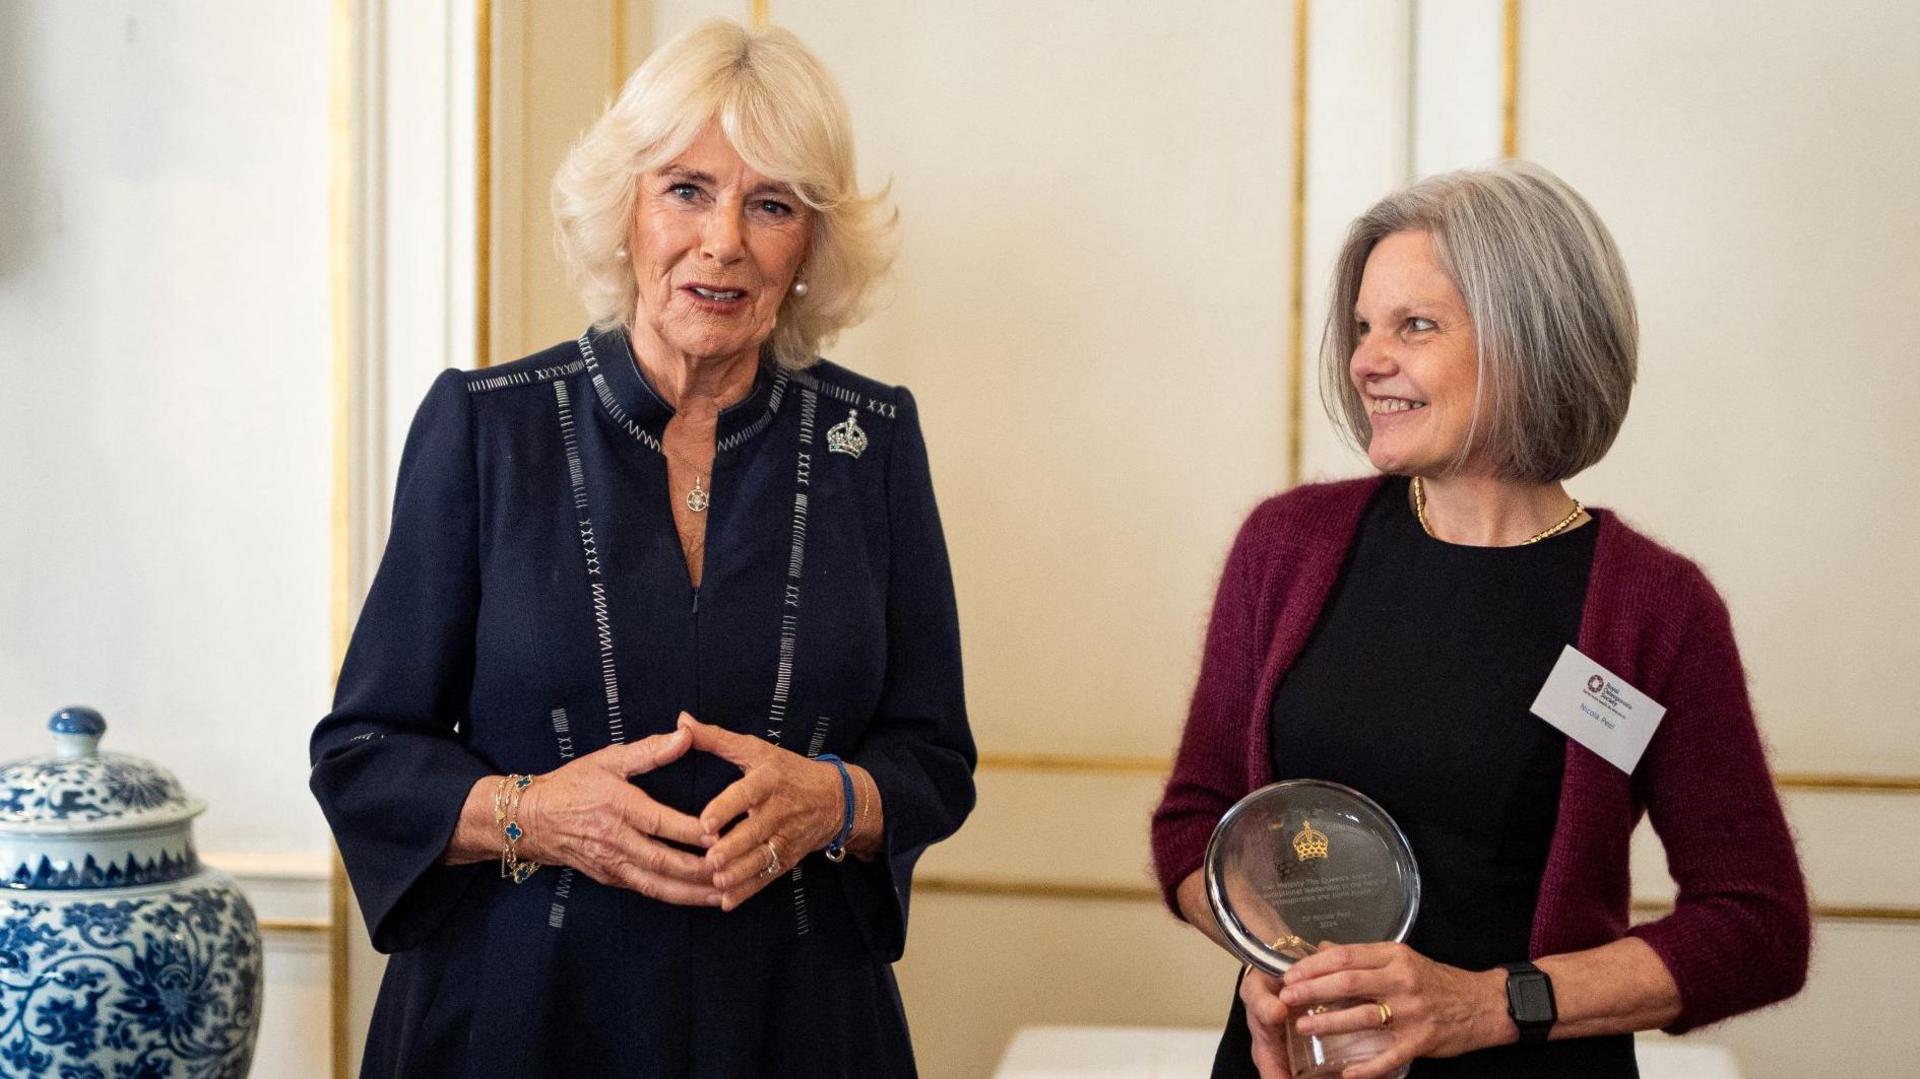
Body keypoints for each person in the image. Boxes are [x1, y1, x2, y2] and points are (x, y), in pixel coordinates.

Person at [310, 19, 974, 1077]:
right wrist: (531, 813)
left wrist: (837, 799)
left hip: (796, 1025)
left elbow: (935, 756)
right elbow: (363, 751)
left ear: (811, 244)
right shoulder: (485, 429)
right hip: (518, 1016)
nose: (723, 242)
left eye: (771, 205)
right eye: (686, 189)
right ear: (625, 208)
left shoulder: (872, 442)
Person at [1150, 161, 1809, 1078]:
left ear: (1531, 340)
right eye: (1363, 328)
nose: (1366, 360)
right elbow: (1193, 823)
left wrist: (1485, 1005)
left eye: (1415, 326)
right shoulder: (1286, 546)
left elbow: (1757, 926)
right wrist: (1270, 954)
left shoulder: (1657, 608)